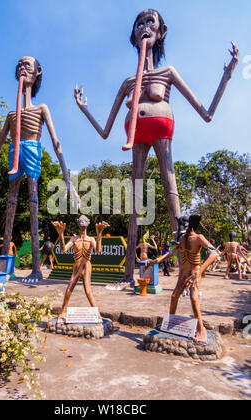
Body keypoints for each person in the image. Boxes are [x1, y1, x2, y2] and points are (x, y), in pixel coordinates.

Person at [74, 8, 239, 283]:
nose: (144, 27)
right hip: (135, 136)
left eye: (150, 22)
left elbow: (206, 113)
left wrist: (227, 75)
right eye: (139, 24)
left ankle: (185, 270)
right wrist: (84, 109)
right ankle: (128, 273)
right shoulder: (128, 82)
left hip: (162, 128)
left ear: (161, 31)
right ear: (133, 34)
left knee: (170, 189)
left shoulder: (167, 72)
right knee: (135, 198)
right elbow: (105, 131)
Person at [0, 56, 78, 284]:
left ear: (38, 71)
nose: (22, 68)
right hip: (15, 150)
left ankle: (36, 269)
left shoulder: (41, 108)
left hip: (32, 149)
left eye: (27, 65)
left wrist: (67, 180)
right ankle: (5, 265)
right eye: (19, 65)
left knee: (33, 202)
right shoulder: (12, 115)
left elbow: (55, 141)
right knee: (10, 203)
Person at [144, 215, 220, 344]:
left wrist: (199, 271)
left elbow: (214, 254)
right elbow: (170, 253)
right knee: (174, 296)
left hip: (194, 272)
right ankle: (170, 323)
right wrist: (154, 261)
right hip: (183, 273)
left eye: (183, 225)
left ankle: (201, 329)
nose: (181, 228)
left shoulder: (199, 238)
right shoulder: (182, 239)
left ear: (190, 224)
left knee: (193, 297)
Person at [52, 216, 109, 324]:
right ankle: (63, 312)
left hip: (86, 265)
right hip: (77, 266)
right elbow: (63, 250)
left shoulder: (91, 239)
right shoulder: (74, 239)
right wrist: (61, 235)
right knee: (69, 288)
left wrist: (99, 234)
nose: (83, 223)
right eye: (80, 221)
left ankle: (96, 313)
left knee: (88, 290)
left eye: (85, 221)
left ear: (88, 223)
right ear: (78, 223)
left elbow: (98, 250)